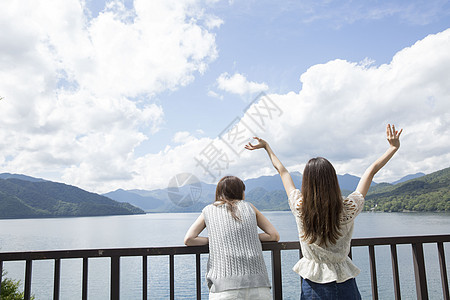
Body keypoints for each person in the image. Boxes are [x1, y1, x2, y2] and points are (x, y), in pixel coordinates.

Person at [245, 124, 402, 299]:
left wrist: (267, 147)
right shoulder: (348, 208)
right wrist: (393, 148)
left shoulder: (300, 207)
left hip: (314, 284)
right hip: (345, 282)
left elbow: (282, 172)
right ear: (333, 180)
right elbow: (370, 172)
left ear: (307, 182)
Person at [184, 175, 280, 300]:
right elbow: (274, 235)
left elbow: (189, 239)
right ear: (240, 192)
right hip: (258, 285)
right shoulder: (249, 207)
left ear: (219, 193)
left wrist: (215, 239)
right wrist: (247, 235)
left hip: (224, 287)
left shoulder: (209, 210)